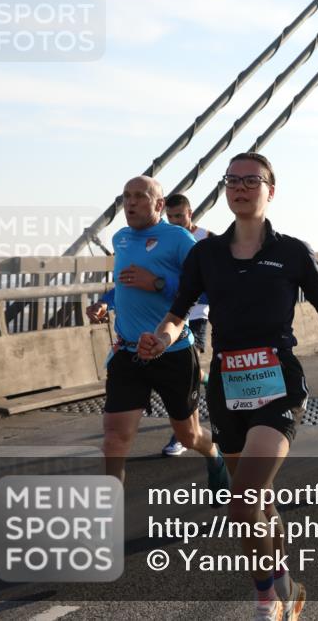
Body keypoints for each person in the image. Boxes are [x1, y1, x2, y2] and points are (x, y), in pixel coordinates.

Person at [138, 152, 318, 620]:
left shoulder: (293, 252)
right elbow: (179, 311)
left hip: (278, 386)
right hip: (228, 389)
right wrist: (163, 337)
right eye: (231, 180)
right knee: (260, 502)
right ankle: (287, 586)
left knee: (243, 502)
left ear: (270, 190)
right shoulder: (205, 254)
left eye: (251, 180)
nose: (239, 187)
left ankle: (265, 600)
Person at [85, 176, 228, 490]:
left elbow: (205, 293)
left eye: (139, 196)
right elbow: (125, 285)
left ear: (159, 204)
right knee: (114, 440)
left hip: (172, 352)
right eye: (126, 196)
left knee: (187, 436)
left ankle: (214, 455)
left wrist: (158, 283)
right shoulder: (121, 237)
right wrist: (104, 303)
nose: (131, 202)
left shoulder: (178, 239)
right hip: (128, 352)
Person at [160, 194, 215, 457]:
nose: (175, 222)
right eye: (169, 218)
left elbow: (217, 281)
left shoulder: (207, 238)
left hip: (197, 315)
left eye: (179, 216)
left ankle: (181, 435)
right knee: (185, 374)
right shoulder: (164, 240)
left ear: (190, 213)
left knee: (183, 374)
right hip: (171, 316)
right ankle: (208, 381)